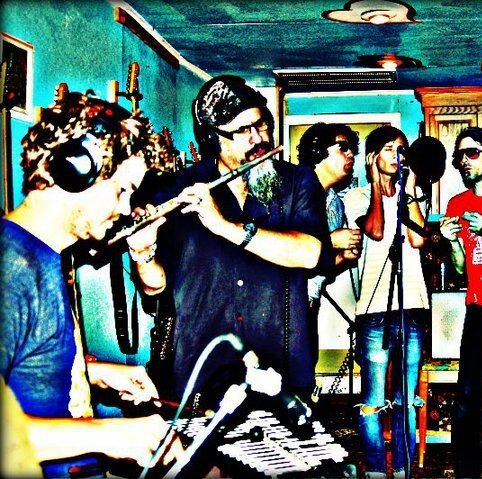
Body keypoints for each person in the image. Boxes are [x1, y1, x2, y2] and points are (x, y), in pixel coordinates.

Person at [0, 92, 183, 477]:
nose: (125, 207)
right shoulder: (10, 269)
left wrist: (96, 373)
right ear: (74, 171)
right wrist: (107, 434)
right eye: (121, 189)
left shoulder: (46, 255)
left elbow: (28, 365)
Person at [130, 75, 333, 410]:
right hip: (200, 366)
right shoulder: (178, 188)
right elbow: (155, 287)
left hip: (279, 362)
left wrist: (225, 227)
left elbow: (310, 253)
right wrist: (142, 252)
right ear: (213, 139)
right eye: (243, 131)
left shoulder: (298, 182)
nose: (259, 138)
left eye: (261, 125)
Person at [343, 125, 429, 479]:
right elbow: (376, 231)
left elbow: (418, 239)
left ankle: (405, 471)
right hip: (374, 309)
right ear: (373, 156)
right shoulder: (357, 196)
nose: (398, 156)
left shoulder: (413, 194)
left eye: (402, 149)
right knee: (374, 401)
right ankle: (378, 470)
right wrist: (379, 186)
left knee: (406, 400)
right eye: (390, 149)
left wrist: (409, 192)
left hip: (413, 306)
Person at [439, 127, 482, 478]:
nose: (464, 161)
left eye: (473, 153)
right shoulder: (457, 204)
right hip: (478, 308)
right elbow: (462, 268)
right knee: (467, 395)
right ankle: (466, 472)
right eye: (460, 155)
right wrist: (452, 241)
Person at [296, 122, 363, 368]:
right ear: (317, 151)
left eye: (352, 148)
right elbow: (285, 251)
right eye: (343, 148)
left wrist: (344, 257)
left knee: (305, 372)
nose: (351, 154)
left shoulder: (335, 203)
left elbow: (321, 268)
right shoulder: (292, 193)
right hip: (284, 304)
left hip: (310, 303)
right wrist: (332, 240)